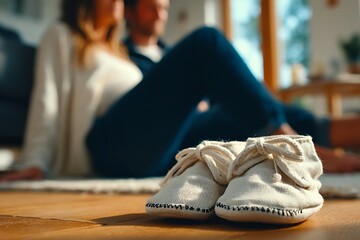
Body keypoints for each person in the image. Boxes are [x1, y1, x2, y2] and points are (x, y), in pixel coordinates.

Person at [1, 0, 360, 182]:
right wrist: (35, 160)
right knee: (206, 43)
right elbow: (47, 99)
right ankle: (293, 148)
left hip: (160, 147)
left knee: (234, 111)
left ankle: (321, 138)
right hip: (110, 145)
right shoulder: (63, 37)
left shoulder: (118, 51)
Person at [123, 0, 169, 75]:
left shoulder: (174, 55)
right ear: (129, 11)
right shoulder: (119, 57)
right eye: (151, 8)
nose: (159, 16)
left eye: (164, 8)